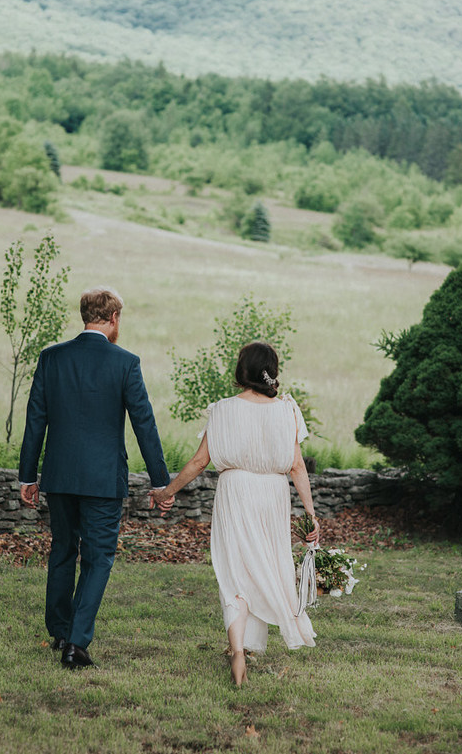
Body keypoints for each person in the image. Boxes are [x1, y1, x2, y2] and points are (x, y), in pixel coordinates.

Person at [19, 287, 174, 669]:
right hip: (103, 479)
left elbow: (35, 418)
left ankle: (60, 631)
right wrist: (160, 482)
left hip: (58, 475)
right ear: (114, 318)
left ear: (85, 315)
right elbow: (144, 424)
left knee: (62, 551)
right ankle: (76, 643)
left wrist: (27, 476)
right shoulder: (126, 362)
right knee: (99, 558)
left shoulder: (51, 358)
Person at [152, 341, 319, 686]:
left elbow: (200, 462)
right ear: (271, 370)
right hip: (272, 496)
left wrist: (167, 492)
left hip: (235, 494)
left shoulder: (222, 410)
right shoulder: (286, 409)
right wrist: (311, 514)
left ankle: (238, 650)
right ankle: (244, 648)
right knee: (266, 565)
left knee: (234, 572)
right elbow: (297, 466)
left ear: (241, 371)